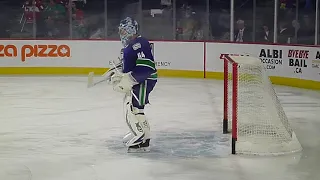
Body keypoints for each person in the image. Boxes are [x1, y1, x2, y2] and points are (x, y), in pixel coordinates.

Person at [104, 17, 157, 153]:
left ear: (130, 30)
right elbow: (129, 65)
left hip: (144, 80)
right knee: (131, 106)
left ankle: (141, 138)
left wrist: (131, 78)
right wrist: (117, 72)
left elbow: (147, 67)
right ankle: (140, 133)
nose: (121, 33)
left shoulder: (139, 43)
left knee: (135, 108)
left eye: (123, 30)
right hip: (138, 79)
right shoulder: (130, 46)